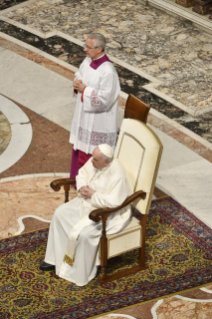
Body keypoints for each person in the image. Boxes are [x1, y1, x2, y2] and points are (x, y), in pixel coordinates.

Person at [40, 144, 132, 286]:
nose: (91, 161)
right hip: (85, 203)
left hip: (105, 212)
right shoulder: (95, 161)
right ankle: (54, 259)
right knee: (60, 214)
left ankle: (80, 273)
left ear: (106, 162)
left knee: (84, 234)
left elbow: (114, 203)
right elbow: (82, 174)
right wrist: (83, 186)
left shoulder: (117, 175)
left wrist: (93, 195)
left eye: (95, 160)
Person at [70, 33, 120, 179]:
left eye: (88, 47)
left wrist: (85, 90)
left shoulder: (108, 71)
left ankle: (90, 184)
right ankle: (76, 180)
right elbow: (80, 74)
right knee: (80, 145)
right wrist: (77, 82)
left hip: (99, 120)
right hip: (84, 115)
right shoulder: (87, 60)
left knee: (93, 150)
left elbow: (105, 99)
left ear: (99, 49)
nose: (85, 50)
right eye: (85, 46)